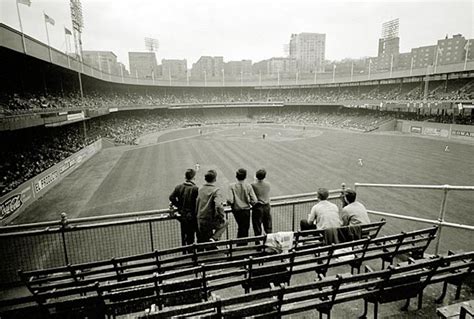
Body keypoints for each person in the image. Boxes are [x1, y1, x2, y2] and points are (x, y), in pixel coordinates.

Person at [169, 169, 199, 247]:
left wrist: (179, 206)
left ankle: (187, 254)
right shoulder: (195, 188)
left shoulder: (178, 187)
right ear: (194, 178)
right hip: (192, 217)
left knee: (185, 237)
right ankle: (193, 255)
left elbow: (171, 197)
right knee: (193, 237)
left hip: (182, 215)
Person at [196, 170, 228, 243]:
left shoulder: (200, 189)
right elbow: (219, 206)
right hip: (210, 220)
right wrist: (221, 217)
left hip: (200, 219)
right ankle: (214, 238)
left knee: (202, 241)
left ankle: (211, 242)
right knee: (225, 222)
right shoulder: (216, 190)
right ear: (215, 179)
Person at [227, 168, 258, 242]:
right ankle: (241, 246)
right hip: (246, 210)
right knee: (244, 228)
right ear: (245, 176)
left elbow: (230, 200)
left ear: (236, 176)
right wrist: (250, 203)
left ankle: (240, 246)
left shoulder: (231, 186)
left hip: (236, 210)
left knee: (241, 228)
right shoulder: (248, 186)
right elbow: (255, 200)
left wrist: (228, 202)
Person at [251, 168, 272, 236]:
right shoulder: (268, 184)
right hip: (267, 207)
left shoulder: (253, 185)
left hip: (258, 207)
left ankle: (258, 244)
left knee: (257, 227)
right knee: (268, 226)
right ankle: (269, 243)